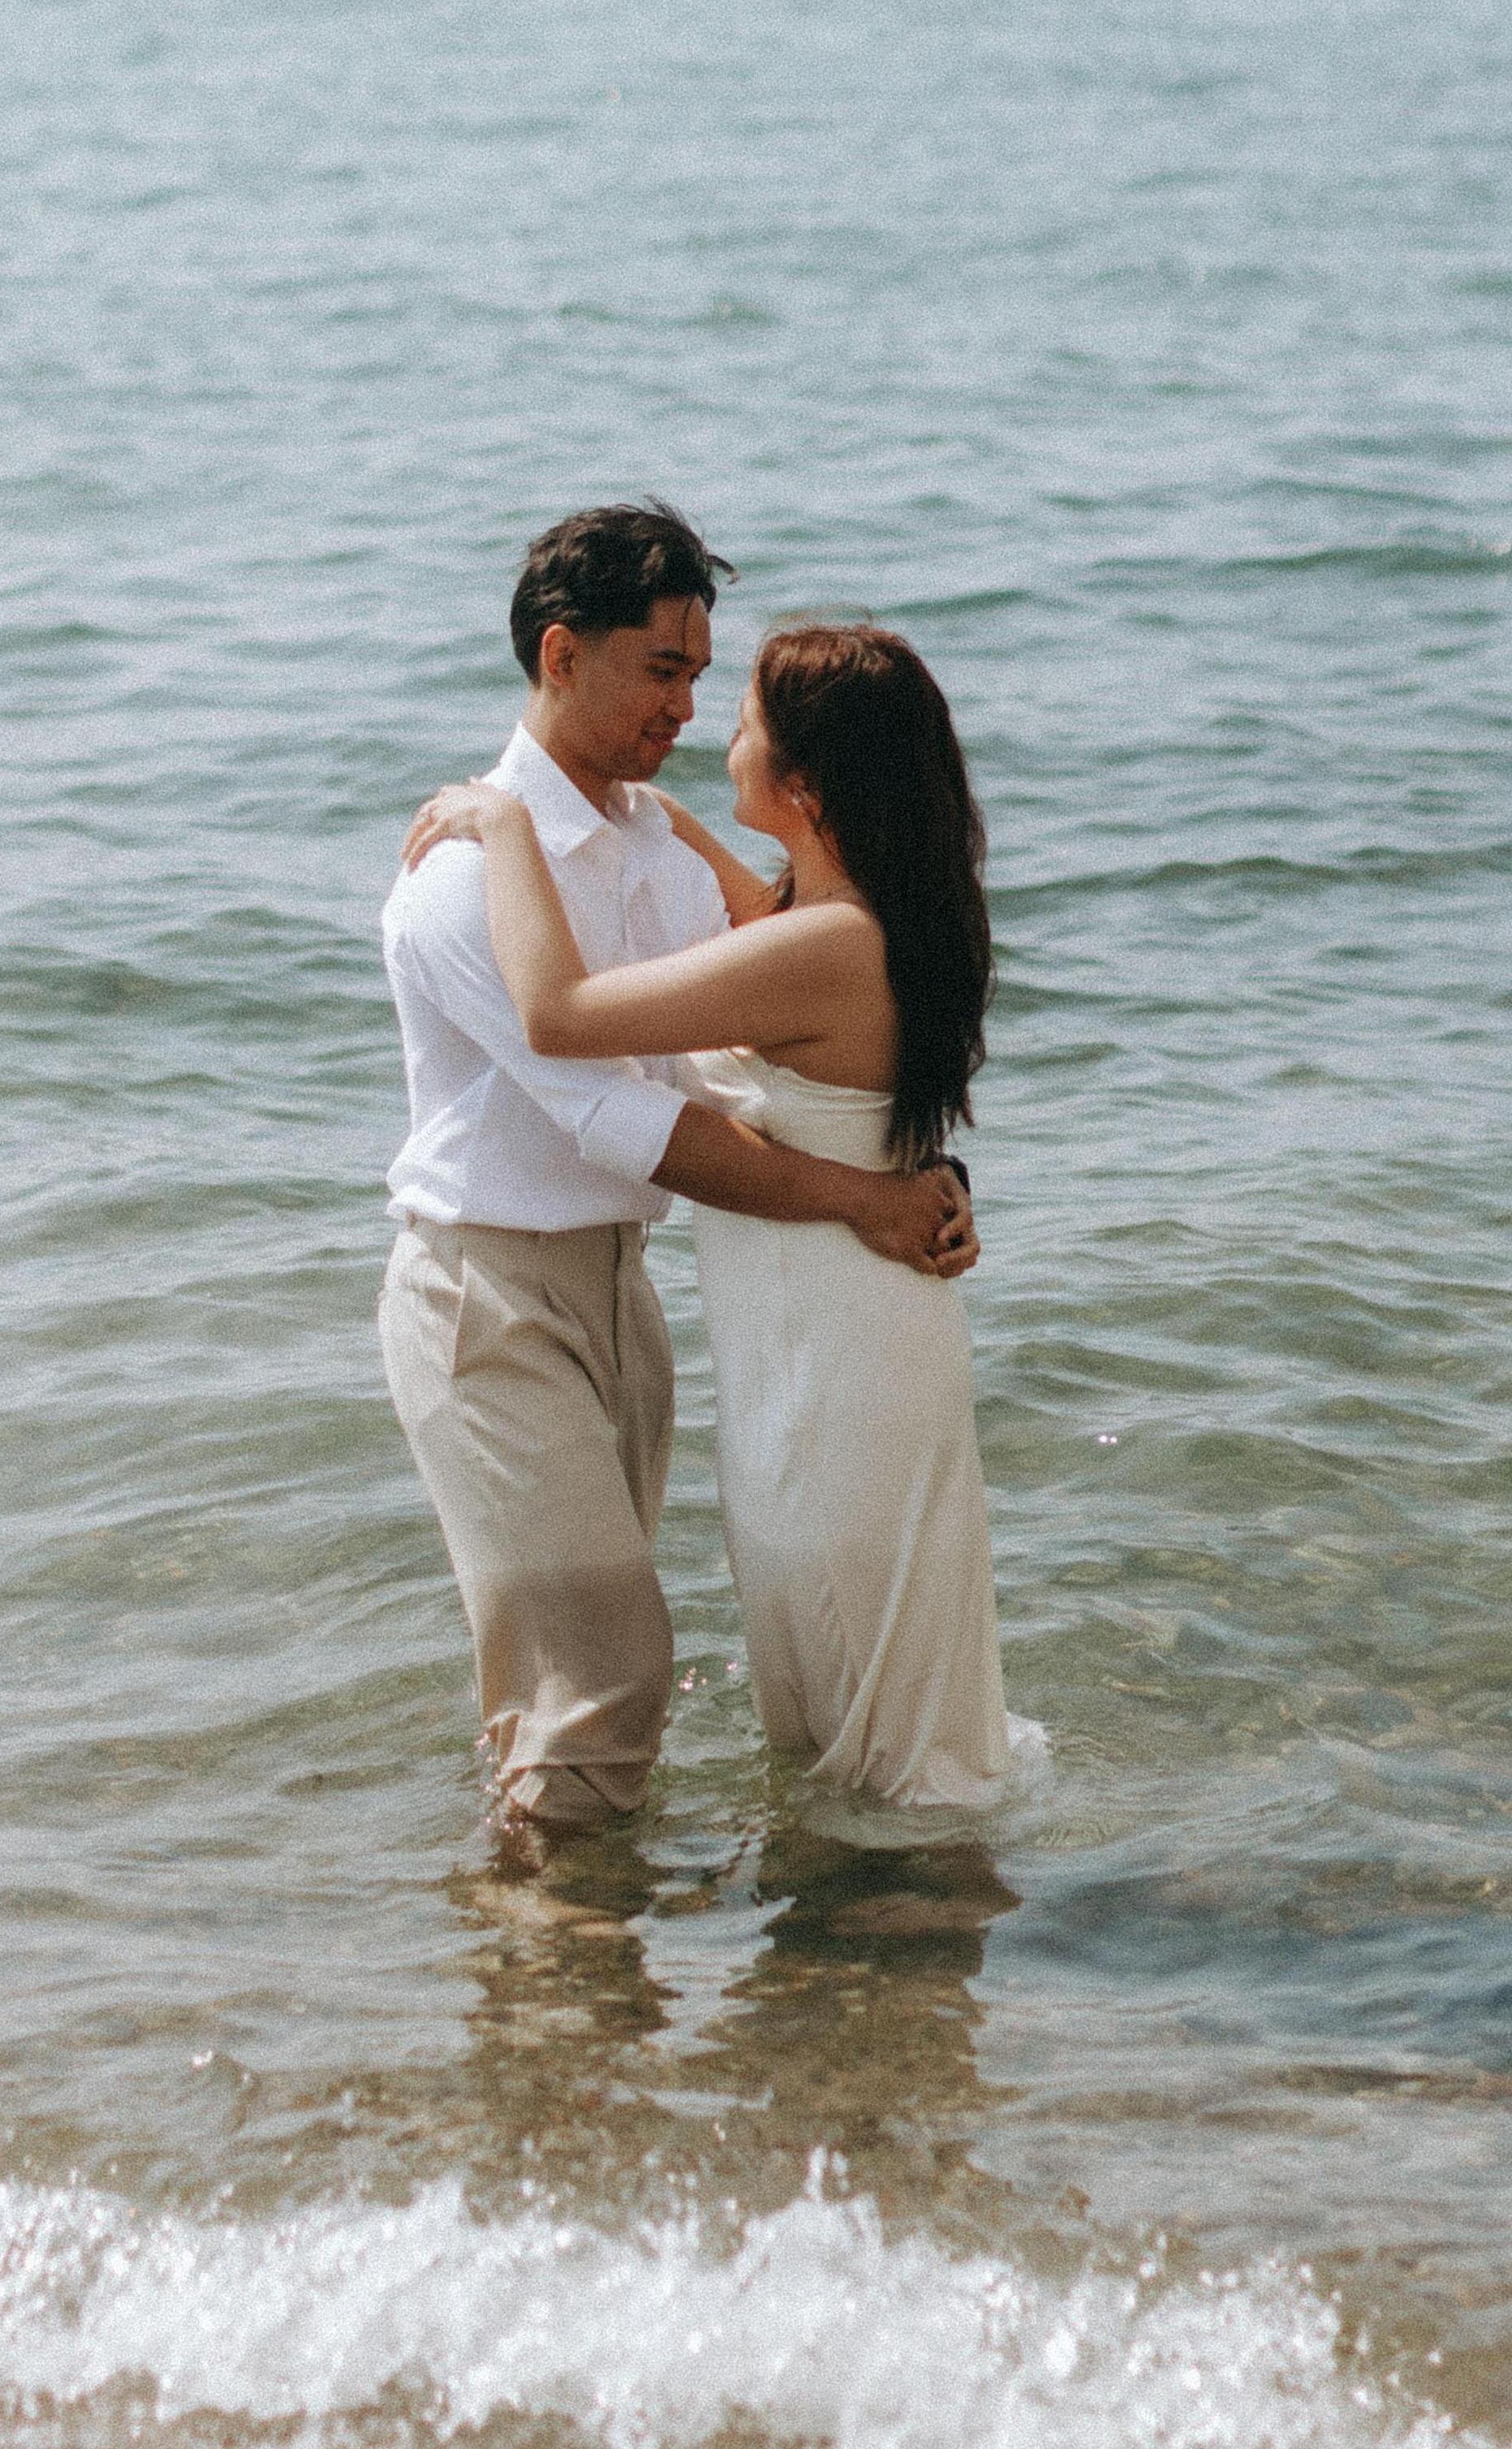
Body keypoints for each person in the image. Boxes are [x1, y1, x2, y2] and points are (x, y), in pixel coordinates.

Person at [378, 504, 976, 1835]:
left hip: (622, 1291)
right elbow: (623, 1115)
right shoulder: (462, 878)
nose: (690, 711)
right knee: (603, 1676)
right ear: (560, 656)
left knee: (574, 1683)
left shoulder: (653, 847)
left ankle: (551, 1936)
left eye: (705, 677)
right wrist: (869, 1198)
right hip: (488, 1294)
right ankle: (554, 1951)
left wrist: (913, 1179)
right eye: (662, 671)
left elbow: (801, 1037)